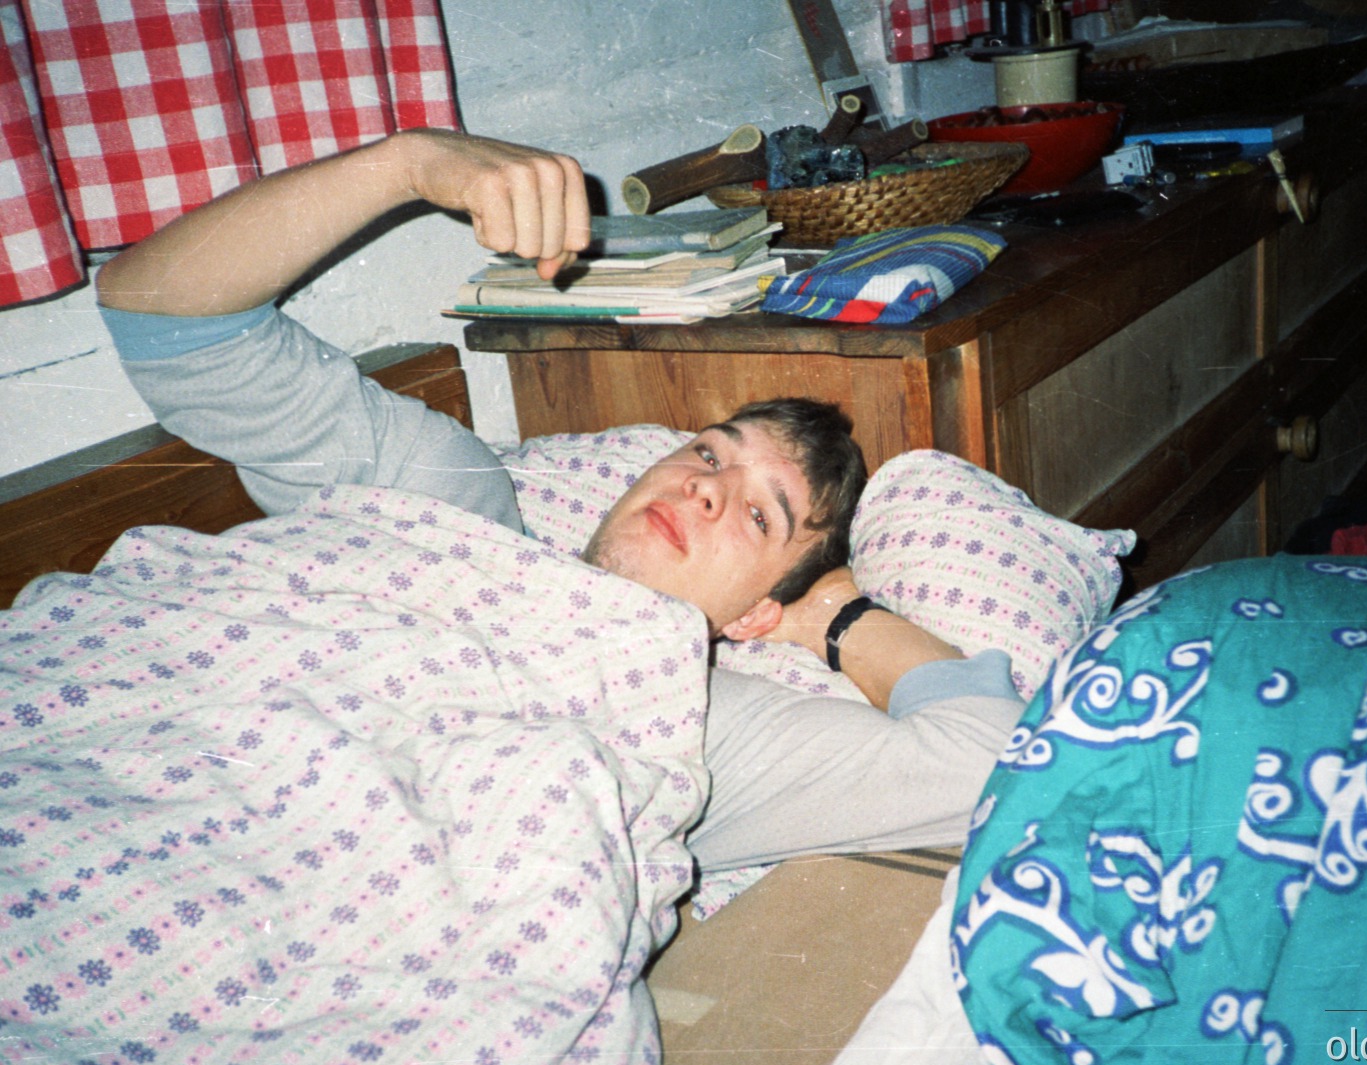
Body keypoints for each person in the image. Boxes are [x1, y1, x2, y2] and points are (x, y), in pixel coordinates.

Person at [95, 128, 1026, 873]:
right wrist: (407, 162)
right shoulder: (451, 502)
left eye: (756, 516)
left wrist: (833, 612)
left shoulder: (696, 724)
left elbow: (984, 763)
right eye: (710, 452)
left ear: (752, 612)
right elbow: (160, 314)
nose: (705, 489)